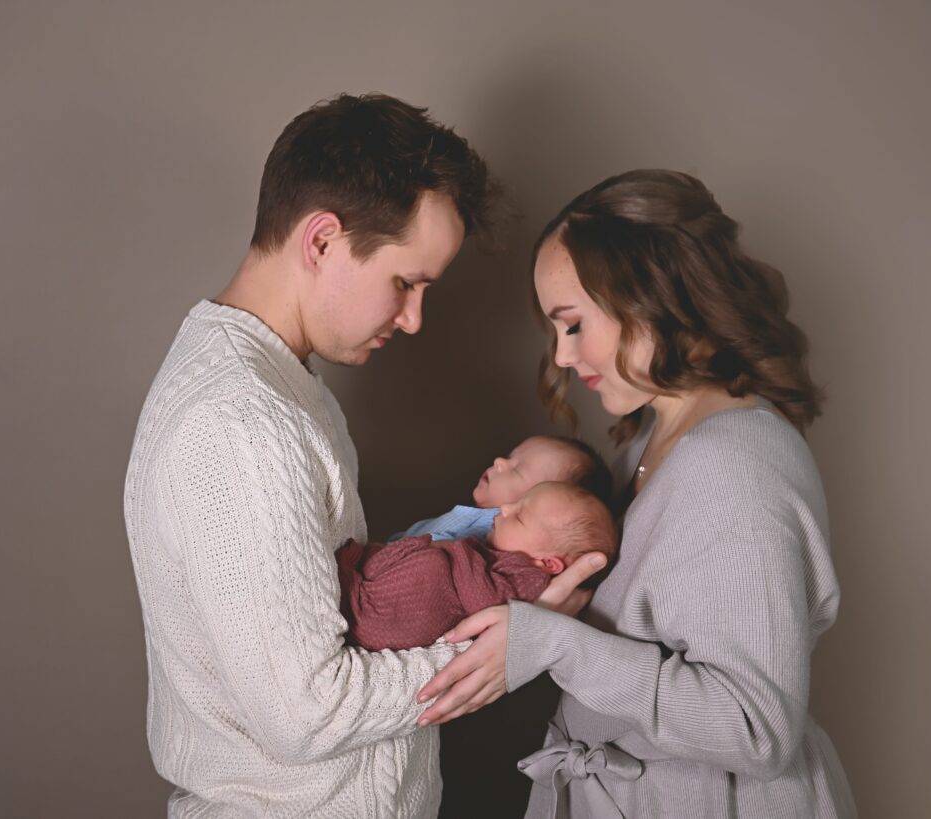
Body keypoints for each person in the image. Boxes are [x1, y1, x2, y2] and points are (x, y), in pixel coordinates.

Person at [122, 92, 605, 817]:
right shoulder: (242, 422)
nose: (413, 319)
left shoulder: (281, 384)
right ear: (321, 241)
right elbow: (306, 711)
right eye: (405, 284)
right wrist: (503, 654)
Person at [417, 169, 857, 817]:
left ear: (649, 297)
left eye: (573, 324)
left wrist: (554, 644)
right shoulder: (641, 448)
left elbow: (757, 727)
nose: (562, 357)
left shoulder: (736, 464)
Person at [340, 481, 618, 651]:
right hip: (394, 598)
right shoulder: (507, 557)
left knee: (434, 567)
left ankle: (358, 597)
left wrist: (461, 550)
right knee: (426, 557)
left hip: (393, 621)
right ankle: (358, 574)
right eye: (515, 503)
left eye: (519, 516)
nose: (504, 509)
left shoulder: (529, 579)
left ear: (547, 563)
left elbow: (483, 599)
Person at [390, 434, 613, 542]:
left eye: (516, 470)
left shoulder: (494, 531)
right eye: (509, 457)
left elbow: (444, 556)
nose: (499, 461)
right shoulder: (482, 517)